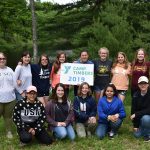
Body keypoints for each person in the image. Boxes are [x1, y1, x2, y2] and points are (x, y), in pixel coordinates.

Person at [0, 52, 16, 139]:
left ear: (6, 60)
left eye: (3, 59)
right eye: (0, 59)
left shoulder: (10, 70)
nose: (2, 60)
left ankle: (8, 131)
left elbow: (15, 83)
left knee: (8, 117)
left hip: (10, 98)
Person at [130, 76, 150, 141]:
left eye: (145, 83)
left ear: (148, 85)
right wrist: (135, 125)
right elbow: (133, 111)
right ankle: (145, 129)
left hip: (147, 117)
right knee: (137, 135)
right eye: (141, 83)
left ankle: (147, 135)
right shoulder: (135, 95)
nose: (143, 85)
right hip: (140, 119)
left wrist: (137, 114)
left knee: (146, 118)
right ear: (138, 85)